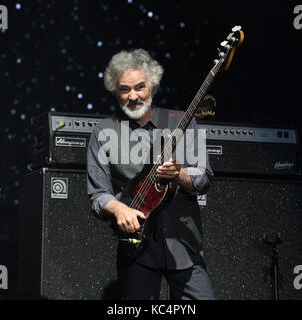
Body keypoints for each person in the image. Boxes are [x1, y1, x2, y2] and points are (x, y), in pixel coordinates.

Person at [87, 48, 215, 300]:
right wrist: (117, 209)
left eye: (139, 87)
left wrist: (179, 175)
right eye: (124, 89)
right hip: (137, 247)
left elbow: (204, 178)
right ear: (115, 91)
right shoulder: (103, 132)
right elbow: (98, 195)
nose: (133, 96)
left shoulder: (182, 121)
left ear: (153, 86)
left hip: (184, 244)